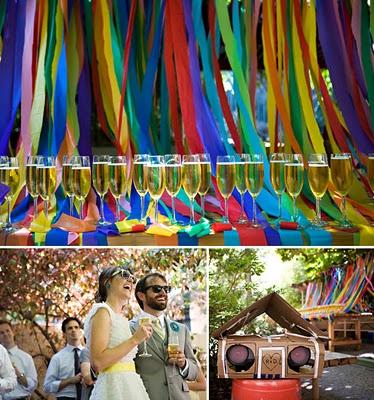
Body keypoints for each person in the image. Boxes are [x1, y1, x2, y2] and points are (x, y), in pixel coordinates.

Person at [83, 265, 152, 400]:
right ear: (107, 282)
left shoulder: (121, 318)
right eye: (124, 275)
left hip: (131, 386)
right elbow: (97, 362)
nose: (131, 281)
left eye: (133, 279)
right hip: (113, 388)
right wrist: (135, 339)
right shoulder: (102, 312)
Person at [131, 272, 199, 400]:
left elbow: (195, 372)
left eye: (166, 289)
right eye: (157, 289)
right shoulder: (129, 329)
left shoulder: (181, 329)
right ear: (141, 296)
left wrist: (184, 363)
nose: (163, 293)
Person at [43, 317, 84, 400]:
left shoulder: (90, 354)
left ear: (80, 331)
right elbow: (47, 386)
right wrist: (69, 381)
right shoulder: (57, 358)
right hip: (66, 397)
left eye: (76, 327)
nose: (73, 330)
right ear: (64, 334)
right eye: (70, 328)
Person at [0, 320, 37, 400]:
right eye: (1, 333)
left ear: (12, 332)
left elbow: (32, 385)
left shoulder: (26, 357)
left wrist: (18, 374)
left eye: (7, 331)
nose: (5, 334)